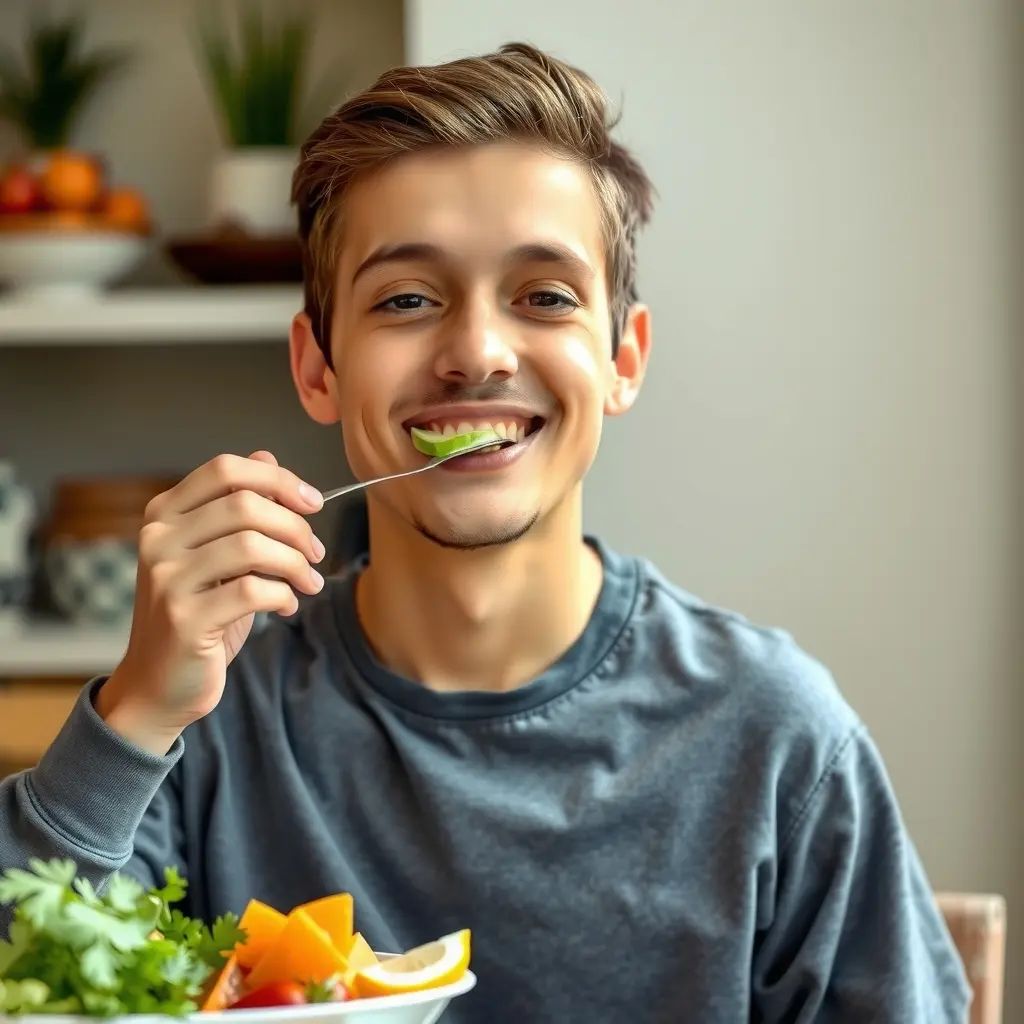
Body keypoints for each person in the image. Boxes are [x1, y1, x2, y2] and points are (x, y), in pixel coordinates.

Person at [0, 42, 970, 1024]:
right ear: (318, 369)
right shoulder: (205, 724)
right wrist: (132, 716)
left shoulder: (776, 741)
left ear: (622, 359)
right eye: (407, 300)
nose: (476, 352)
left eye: (544, 295)